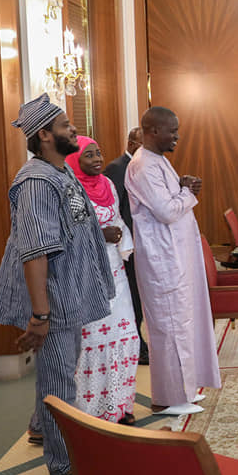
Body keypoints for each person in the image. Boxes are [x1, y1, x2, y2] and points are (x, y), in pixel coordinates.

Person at [0, 94, 114, 475]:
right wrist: (40, 316)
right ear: (44, 135)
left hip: (70, 293)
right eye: (64, 125)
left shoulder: (60, 172)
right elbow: (36, 252)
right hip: (55, 298)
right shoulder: (36, 182)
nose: (73, 129)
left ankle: (41, 428)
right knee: (60, 380)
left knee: (60, 371)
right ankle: (63, 464)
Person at [125, 106, 220, 415]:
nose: (177, 136)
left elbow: (167, 201)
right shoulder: (143, 166)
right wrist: (188, 193)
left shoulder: (159, 160)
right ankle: (167, 399)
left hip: (176, 258)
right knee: (169, 328)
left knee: (183, 323)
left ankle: (185, 390)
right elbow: (165, 211)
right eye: (172, 131)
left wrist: (182, 187)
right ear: (154, 131)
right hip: (162, 261)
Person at [65, 136, 140, 425]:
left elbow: (117, 220)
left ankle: (121, 404)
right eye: (89, 156)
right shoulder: (71, 191)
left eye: (99, 153)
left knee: (126, 336)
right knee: (94, 343)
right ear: (75, 161)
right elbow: (71, 233)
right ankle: (94, 410)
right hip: (87, 276)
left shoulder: (108, 185)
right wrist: (102, 236)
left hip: (115, 274)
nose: (97, 160)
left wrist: (123, 245)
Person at [103, 127, 149, 365]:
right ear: (131, 143)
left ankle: (141, 343)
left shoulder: (141, 166)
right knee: (132, 296)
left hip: (142, 242)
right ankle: (138, 348)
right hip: (126, 245)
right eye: (143, 145)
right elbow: (117, 209)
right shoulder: (116, 167)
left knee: (140, 296)